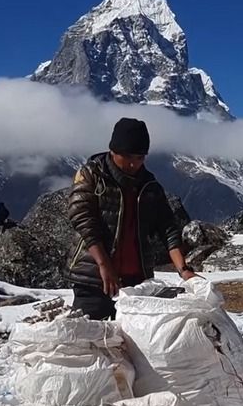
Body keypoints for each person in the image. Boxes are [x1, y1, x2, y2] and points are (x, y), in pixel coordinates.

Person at [65, 117, 195, 319]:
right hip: (93, 279)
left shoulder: (150, 186)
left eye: (140, 157)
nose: (133, 163)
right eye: (127, 156)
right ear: (113, 151)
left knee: (132, 344)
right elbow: (82, 217)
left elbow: (167, 227)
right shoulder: (91, 175)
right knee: (89, 341)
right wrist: (103, 264)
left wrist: (184, 270)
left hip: (136, 282)